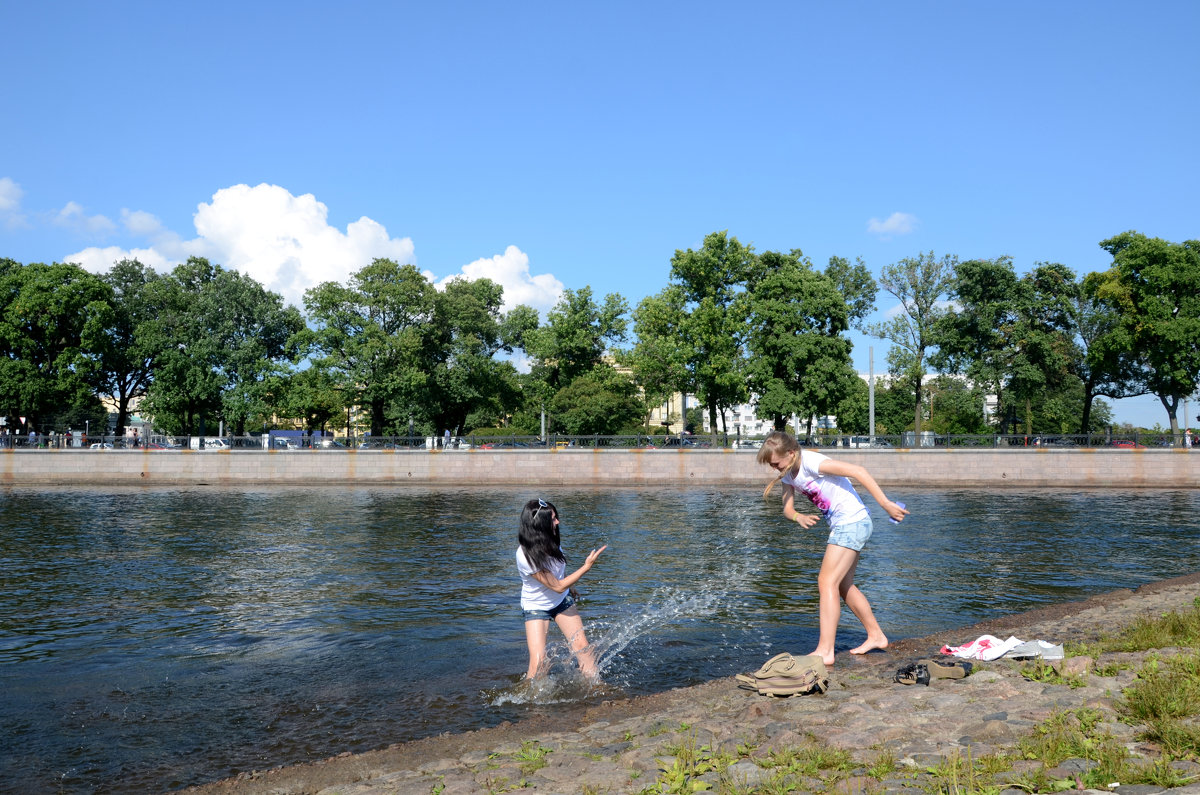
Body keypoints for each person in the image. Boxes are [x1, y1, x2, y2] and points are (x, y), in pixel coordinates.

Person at [757, 430, 908, 666]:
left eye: (776, 463)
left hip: (852, 522)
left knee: (826, 582)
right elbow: (787, 509)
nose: (775, 468)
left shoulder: (811, 461)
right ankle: (876, 635)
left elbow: (859, 471)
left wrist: (886, 504)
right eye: (772, 465)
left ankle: (825, 650)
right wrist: (798, 517)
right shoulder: (788, 474)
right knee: (843, 586)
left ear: (791, 453)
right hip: (847, 525)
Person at [516, 498, 606, 681]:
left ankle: (597, 688)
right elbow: (556, 586)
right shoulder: (524, 555)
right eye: (553, 519)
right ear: (540, 524)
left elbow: (558, 574)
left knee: (582, 646)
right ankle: (528, 702)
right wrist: (586, 567)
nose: (557, 522)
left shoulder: (552, 539)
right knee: (539, 661)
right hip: (536, 606)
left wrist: (570, 588)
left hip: (561, 600)